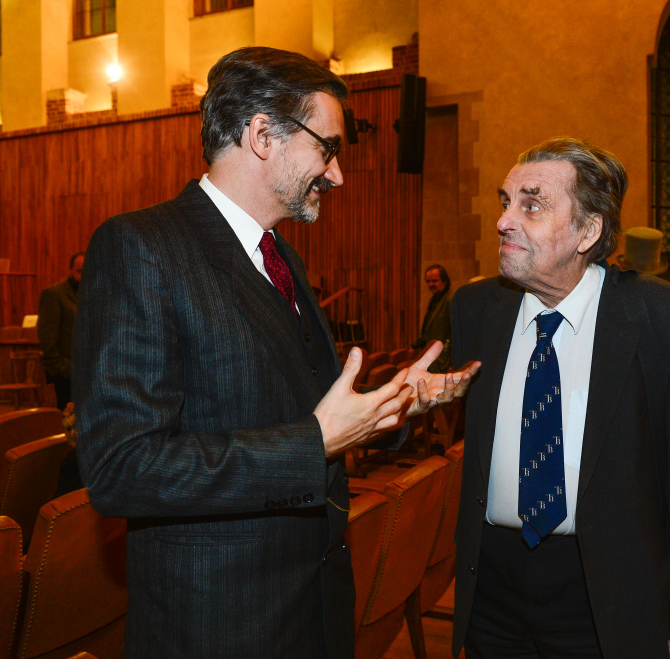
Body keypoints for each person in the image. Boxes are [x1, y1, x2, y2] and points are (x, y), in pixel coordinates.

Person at [72, 47, 477, 659]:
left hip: (313, 606)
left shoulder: (281, 256)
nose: (337, 175)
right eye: (328, 148)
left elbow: (304, 408)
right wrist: (314, 444)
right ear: (262, 135)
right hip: (222, 624)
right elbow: (121, 469)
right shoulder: (141, 247)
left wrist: (386, 406)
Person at [450, 138, 670, 658]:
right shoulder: (475, 309)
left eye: (531, 206)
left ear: (588, 231)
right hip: (491, 588)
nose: (503, 221)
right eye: (505, 202)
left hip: (609, 591)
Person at [37, 251, 82, 410]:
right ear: (70, 270)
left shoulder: (96, 294)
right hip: (66, 373)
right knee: (67, 421)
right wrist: (61, 367)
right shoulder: (54, 294)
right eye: (80, 271)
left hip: (91, 372)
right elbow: (47, 336)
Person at [412, 263, 452, 372]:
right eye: (428, 281)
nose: (431, 284)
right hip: (432, 359)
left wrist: (449, 362)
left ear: (444, 281)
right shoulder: (434, 299)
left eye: (434, 281)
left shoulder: (450, 300)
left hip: (442, 361)